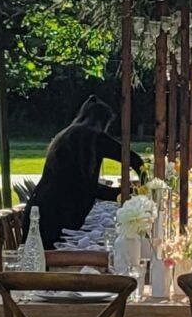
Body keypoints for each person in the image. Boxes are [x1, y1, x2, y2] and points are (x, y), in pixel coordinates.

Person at [30, 98, 125, 248]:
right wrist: (125, 193)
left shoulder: (68, 134)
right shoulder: (92, 137)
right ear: (102, 122)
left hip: (42, 205)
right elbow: (131, 158)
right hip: (56, 213)